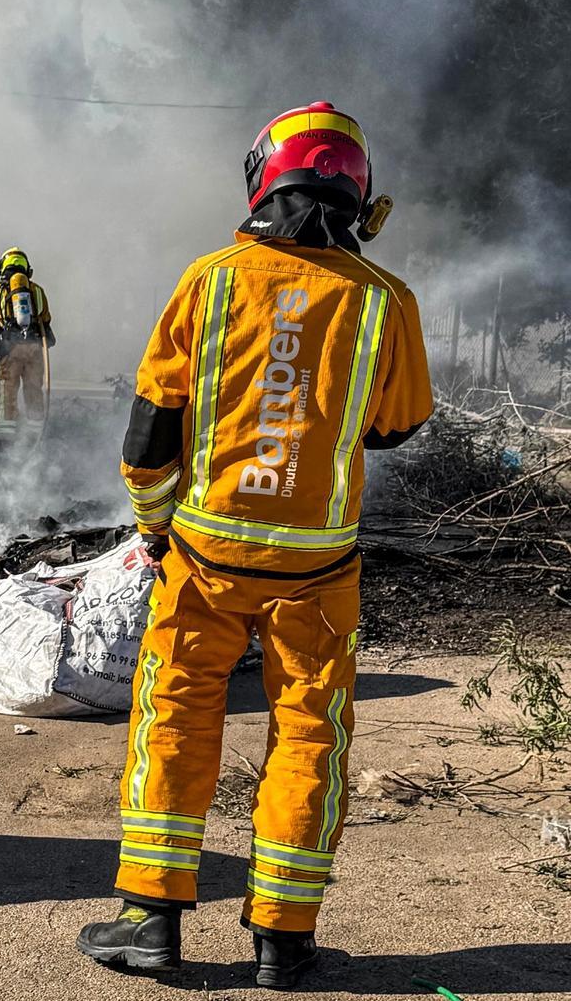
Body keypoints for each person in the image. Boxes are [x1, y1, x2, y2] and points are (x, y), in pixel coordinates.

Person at [77, 102, 433, 987]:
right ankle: (284, 940)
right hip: (320, 569)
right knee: (311, 735)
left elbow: (150, 434)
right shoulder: (386, 302)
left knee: (174, 717)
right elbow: (397, 426)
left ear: (263, 180)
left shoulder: (210, 280)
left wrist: (153, 526)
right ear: (358, 196)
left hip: (201, 563)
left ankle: (149, 923)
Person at [0, 247, 54, 433]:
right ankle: (35, 433)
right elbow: (45, 318)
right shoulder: (36, 291)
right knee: (34, 389)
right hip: (35, 349)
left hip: (10, 349)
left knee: (7, 390)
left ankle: (6, 435)